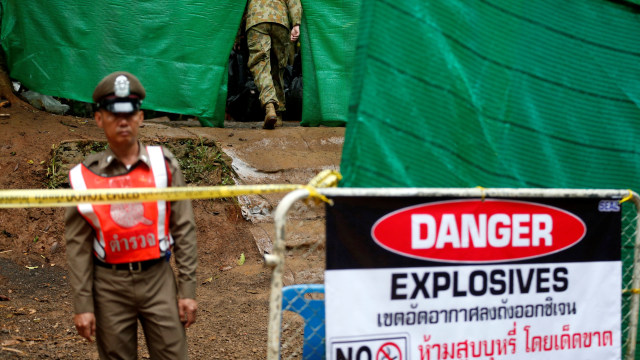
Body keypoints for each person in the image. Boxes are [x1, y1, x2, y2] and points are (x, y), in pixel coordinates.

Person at [65, 71, 198, 359]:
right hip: (109, 286)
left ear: (140, 117)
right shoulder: (84, 177)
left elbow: (184, 228)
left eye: (130, 113)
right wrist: (83, 305)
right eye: (114, 114)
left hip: (158, 279)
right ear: (99, 118)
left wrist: (187, 289)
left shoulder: (164, 166)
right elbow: (78, 246)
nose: (123, 121)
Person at [245, 0, 302, 129]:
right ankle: (279, 112)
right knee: (278, 67)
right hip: (280, 20)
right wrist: (296, 24)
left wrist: (236, 37)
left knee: (261, 64)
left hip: (256, 19)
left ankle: (270, 105)